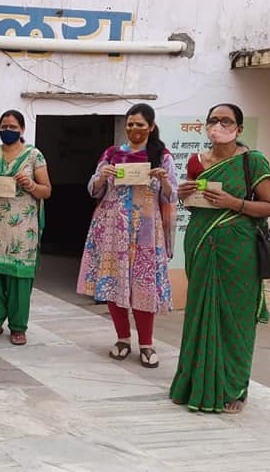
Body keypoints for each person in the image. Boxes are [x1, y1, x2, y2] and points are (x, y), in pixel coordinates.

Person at [170, 103, 270, 414]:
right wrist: (184, 194)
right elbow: (195, 206)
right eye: (213, 120)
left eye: (226, 121)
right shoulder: (196, 161)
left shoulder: (252, 162)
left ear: (239, 129)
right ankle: (192, 383)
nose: (219, 125)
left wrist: (235, 203)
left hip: (239, 252)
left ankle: (234, 388)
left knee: (234, 319)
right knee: (199, 315)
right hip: (201, 245)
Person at [77, 103, 177, 368]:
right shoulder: (112, 154)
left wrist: (164, 180)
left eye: (140, 125)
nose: (134, 129)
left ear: (151, 127)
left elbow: (172, 194)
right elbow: (93, 189)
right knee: (113, 282)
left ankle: (147, 344)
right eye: (130, 124)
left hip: (146, 230)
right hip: (112, 228)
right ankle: (122, 338)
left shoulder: (162, 156)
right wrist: (101, 176)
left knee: (143, 287)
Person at [0, 110, 51, 345]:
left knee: (19, 277)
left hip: (22, 229)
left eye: (13, 127)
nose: (8, 130)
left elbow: (46, 190)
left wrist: (31, 185)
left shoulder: (34, 156)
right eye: (4, 126)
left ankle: (18, 327)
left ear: (22, 130)